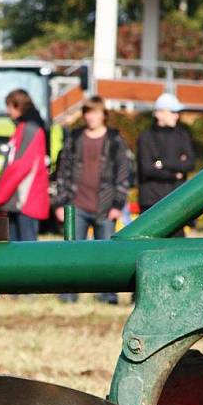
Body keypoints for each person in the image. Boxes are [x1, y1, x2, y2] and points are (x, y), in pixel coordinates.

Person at [54, 95, 131, 304]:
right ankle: (69, 293)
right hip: (75, 204)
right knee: (71, 253)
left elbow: (123, 174)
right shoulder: (74, 138)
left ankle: (107, 295)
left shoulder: (115, 141)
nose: (91, 117)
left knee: (105, 254)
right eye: (88, 112)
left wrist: (118, 204)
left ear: (103, 115)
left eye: (95, 112)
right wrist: (61, 203)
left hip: (105, 206)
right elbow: (62, 172)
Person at [0, 89, 49, 241]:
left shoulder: (31, 130)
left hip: (26, 201)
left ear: (19, 107)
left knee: (27, 254)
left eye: (9, 106)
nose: (7, 111)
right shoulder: (23, 128)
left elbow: (20, 167)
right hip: (16, 201)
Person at [137, 93, 195, 237]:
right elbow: (146, 169)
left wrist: (162, 163)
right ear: (159, 113)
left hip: (176, 200)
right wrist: (175, 171)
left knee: (177, 247)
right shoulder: (146, 137)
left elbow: (190, 164)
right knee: (150, 244)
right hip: (151, 202)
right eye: (173, 112)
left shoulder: (182, 135)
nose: (177, 116)